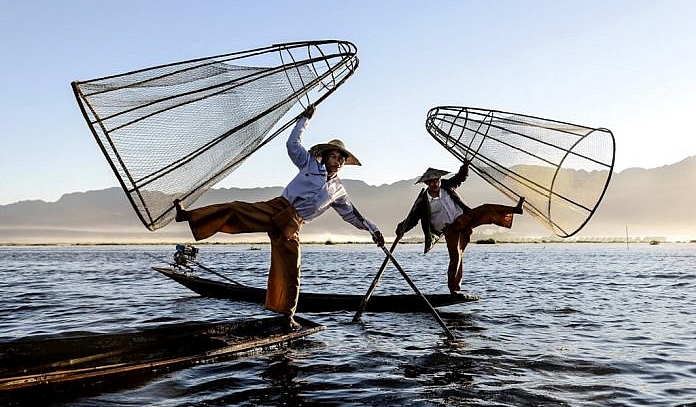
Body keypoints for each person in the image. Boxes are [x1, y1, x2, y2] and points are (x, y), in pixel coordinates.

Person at [174, 105, 384, 331]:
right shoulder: (309, 163)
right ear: (325, 157)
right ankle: (187, 216)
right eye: (333, 156)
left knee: (291, 269)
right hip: (277, 207)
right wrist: (305, 119)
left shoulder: (338, 191)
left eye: (340, 158)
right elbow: (292, 144)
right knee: (236, 208)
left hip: (293, 224)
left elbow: (352, 215)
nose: (337, 161)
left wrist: (374, 231)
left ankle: (286, 315)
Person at [395, 162, 523, 295]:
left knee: (485, 209)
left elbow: (460, 178)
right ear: (426, 184)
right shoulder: (423, 202)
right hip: (451, 229)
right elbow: (412, 219)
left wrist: (465, 165)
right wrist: (401, 230)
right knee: (456, 256)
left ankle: (516, 209)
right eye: (431, 182)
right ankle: (453, 289)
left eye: (436, 180)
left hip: (464, 218)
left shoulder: (446, 186)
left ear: (439, 180)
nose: (434, 184)